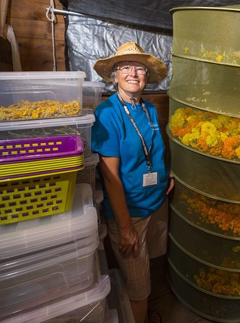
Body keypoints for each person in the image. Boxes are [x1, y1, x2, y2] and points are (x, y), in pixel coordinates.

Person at [92, 42, 173, 323]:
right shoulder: (107, 114)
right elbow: (111, 178)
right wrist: (125, 228)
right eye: (125, 67)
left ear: (147, 76)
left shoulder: (149, 109)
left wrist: (167, 175)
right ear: (114, 76)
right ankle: (139, 315)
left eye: (139, 68)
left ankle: (140, 311)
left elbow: (153, 151)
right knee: (138, 287)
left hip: (155, 204)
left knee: (147, 269)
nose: (133, 73)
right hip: (129, 213)